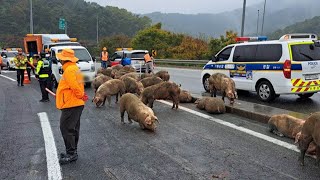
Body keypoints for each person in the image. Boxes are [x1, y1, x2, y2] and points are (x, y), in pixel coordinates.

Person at [55, 48, 88, 165]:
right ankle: (72, 151)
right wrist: (82, 97)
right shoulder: (75, 69)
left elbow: (75, 87)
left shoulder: (69, 70)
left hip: (71, 104)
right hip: (75, 104)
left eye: (60, 59)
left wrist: (80, 96)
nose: (59, 60)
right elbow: (81, 85)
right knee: (73, 128)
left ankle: (71, 153)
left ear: (64, 60)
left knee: (66, 128)